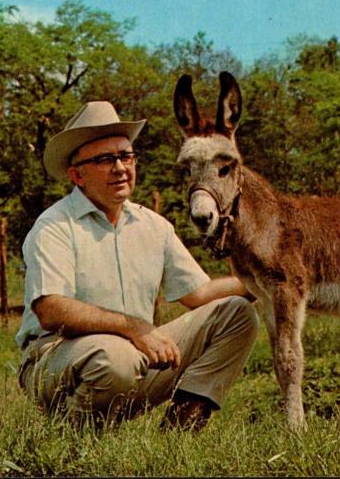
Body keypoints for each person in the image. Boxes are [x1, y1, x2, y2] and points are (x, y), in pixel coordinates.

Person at [15, 101, 259, 431]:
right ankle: (72, 442)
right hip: (58, 360)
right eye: (104, 159)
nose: (120, 168)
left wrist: (265, 278)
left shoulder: (153, 225)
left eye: (126, 156)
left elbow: (200, 293)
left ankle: (179, 432)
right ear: (77, 175)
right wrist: (136, 328)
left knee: (237, 313)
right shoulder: (55, 226)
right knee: (115, 358)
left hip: (136, 359)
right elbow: (52, 310)